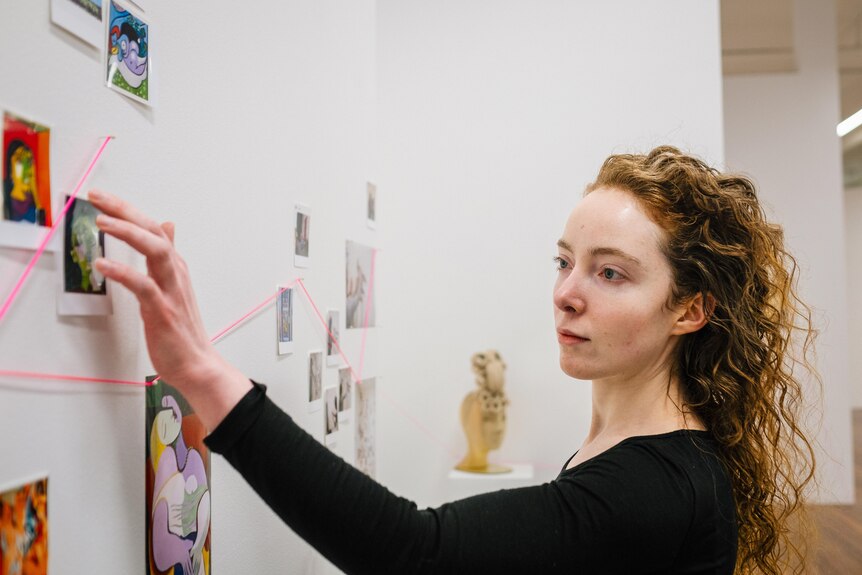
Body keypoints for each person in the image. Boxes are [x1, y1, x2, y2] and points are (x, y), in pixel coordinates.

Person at [88, 145, 817, 575]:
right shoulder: (637, 449)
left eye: (611, 273)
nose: (565, 294)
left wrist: (204, 374)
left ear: (690, 309)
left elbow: (416, 553)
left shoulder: (653, 485)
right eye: (565, 261)